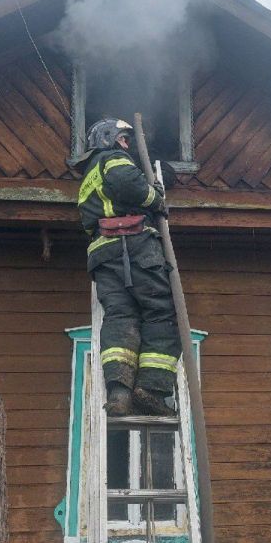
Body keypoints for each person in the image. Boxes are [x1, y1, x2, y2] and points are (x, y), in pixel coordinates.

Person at [74, 118, 179, 416]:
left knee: (120, 316)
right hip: (135, 245)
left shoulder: (87, 179)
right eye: (123, 139)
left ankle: (119, 392)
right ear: (111, 139)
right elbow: (127, 184)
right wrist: (155, 199)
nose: (126, 145)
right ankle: (153, 387)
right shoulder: (113, 159)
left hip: (103, 255)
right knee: (160, 311)